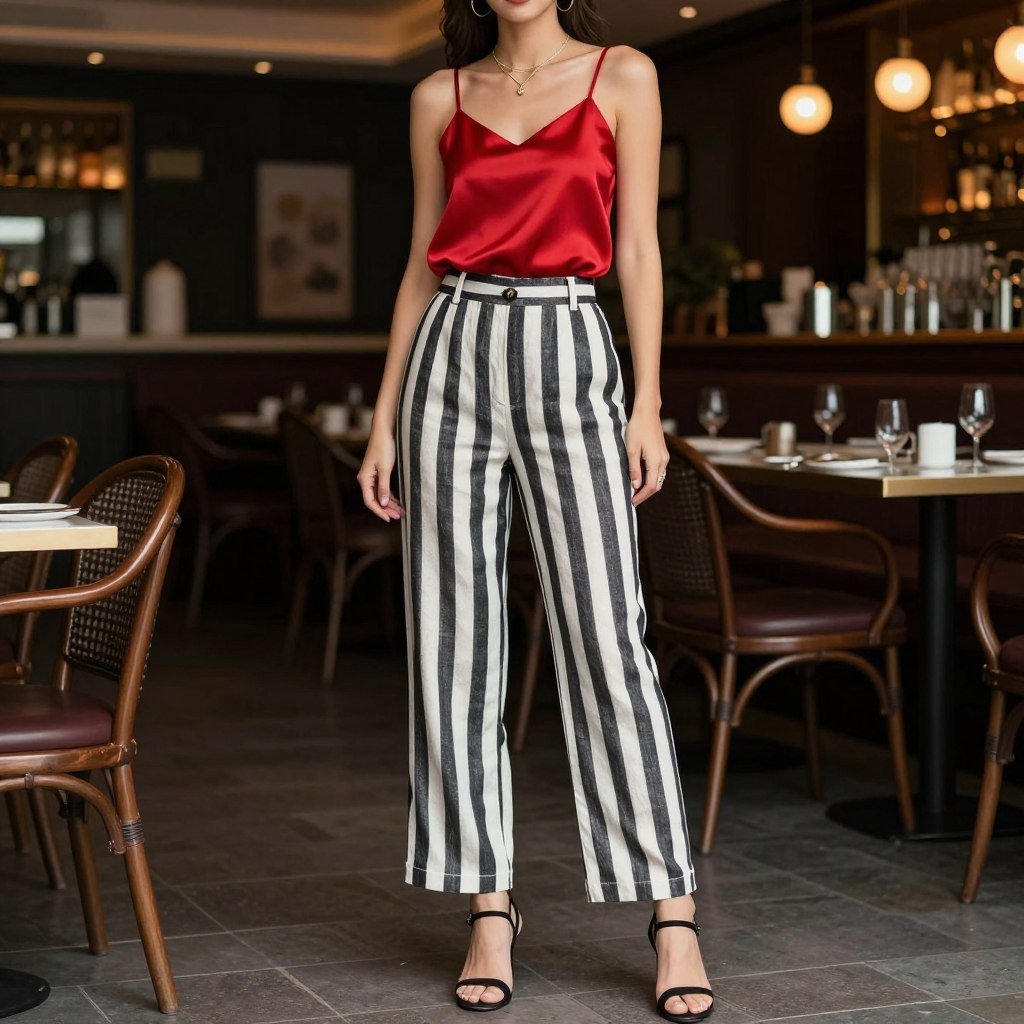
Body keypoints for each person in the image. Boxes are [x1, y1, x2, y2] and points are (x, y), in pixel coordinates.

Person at [358, 1, 713, 1020]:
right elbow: (420, 271)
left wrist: (645, 402)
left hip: (570, 346)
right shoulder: (440, 94)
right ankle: (488, 905)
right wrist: (383, 421)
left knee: (607, 637)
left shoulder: (623, 76)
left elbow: (637, 248)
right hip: (453, 352)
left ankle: (672, 913)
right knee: (451, 640)